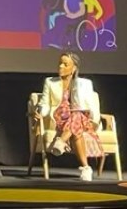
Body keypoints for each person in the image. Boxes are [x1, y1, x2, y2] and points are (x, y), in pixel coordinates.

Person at [34, 52, 102, 181]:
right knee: (76, 126)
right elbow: (45, 103)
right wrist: (41, 112)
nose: (61, 66)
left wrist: (94, 121)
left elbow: (91, 106)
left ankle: (61, 141)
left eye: (65, 64)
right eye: (60, 63)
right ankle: (86, 168)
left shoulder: (85, 83)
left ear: (74, 68)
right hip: (60, 116)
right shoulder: (50, 82)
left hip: (82, 117)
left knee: (76, 115)